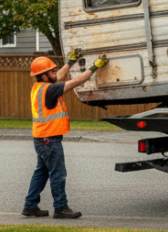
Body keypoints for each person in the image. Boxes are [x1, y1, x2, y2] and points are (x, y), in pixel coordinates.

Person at [22, 50, 107, 219]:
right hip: (49, 141)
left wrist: (70, 61)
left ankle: (30, 205)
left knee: (42, 172)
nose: (56, 72)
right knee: (58, 174)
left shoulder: (38, 87)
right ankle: (61, 208)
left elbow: (60, 76)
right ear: (44, 75)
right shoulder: (50, 90)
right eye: (52, 71)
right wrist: (94, 67)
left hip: (41, 139)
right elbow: (76, 81)